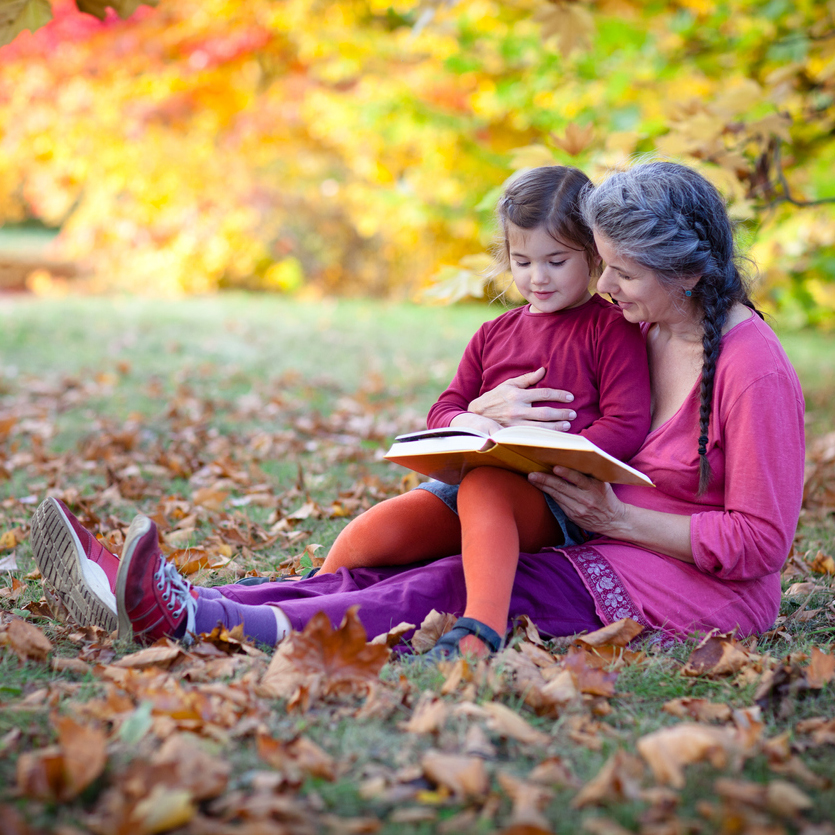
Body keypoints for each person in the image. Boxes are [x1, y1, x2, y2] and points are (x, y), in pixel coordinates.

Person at [30, 160, 805, 659]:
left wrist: (620, 521)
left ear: (686, 274)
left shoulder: (750, 367)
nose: (605, 290)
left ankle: (200, 621)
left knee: (448, 590)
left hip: (683, 585)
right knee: (413, 556)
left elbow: (760, 543)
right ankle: (181, 596)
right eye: (605, 267)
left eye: (624, 274)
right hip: (596, 536)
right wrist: (487, 414)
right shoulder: (652, 325)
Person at [313, 165, 651, 658]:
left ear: (594, 256)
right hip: (469, 484)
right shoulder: (493, 333)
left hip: (553, 499)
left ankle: (481, 630)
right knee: (377, 530)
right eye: (522, 261)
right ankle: (311, 594)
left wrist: (561, 453)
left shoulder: (610, 329)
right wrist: (470, 421)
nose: (537, 277)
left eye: (557, 261)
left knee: (486, 486)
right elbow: (444, 408)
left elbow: (626, 424)